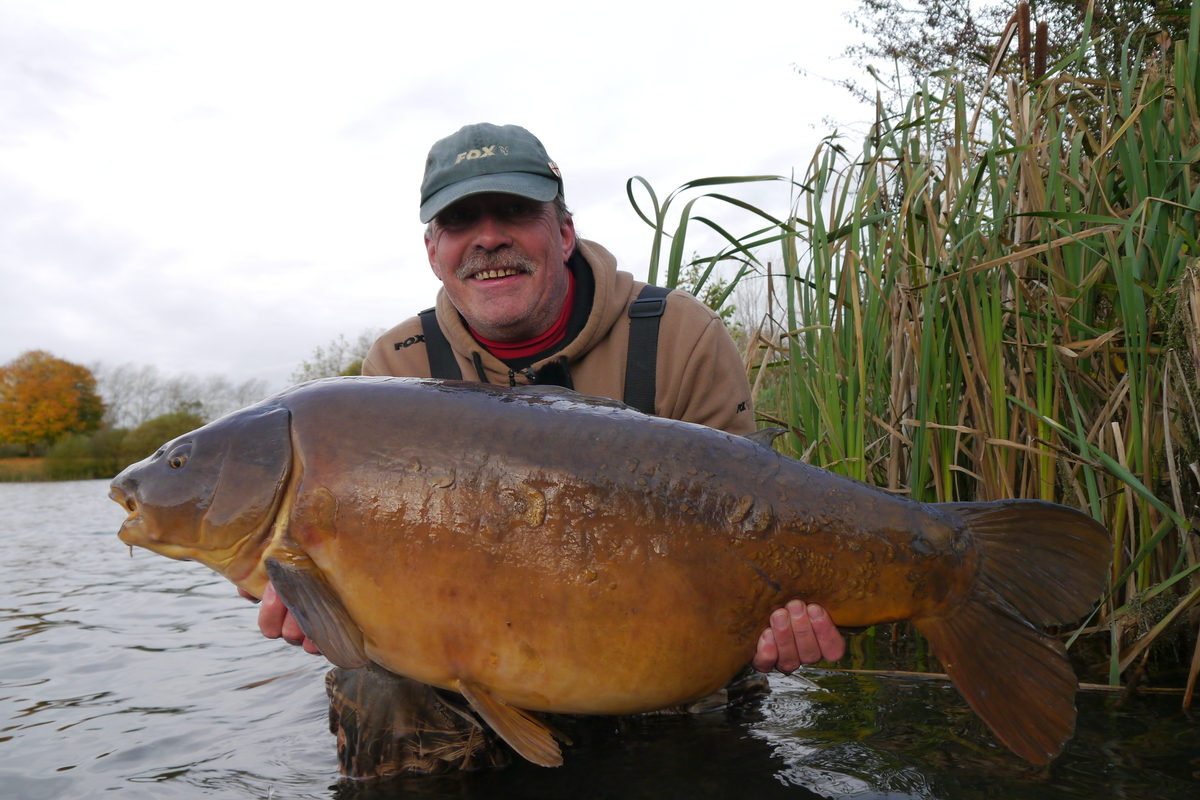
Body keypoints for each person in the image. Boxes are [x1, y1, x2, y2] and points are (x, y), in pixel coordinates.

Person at [247, 123, 844, 774]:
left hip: (662, 646)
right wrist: (326, 609)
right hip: (481, 655)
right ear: (432, 250)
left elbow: (756, 517)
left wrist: (782, 622)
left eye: (513, 212)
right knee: (376, 685)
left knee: (692, 760)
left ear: (563, 231)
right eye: (459, 220)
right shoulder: (398, 365)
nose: (487, 237)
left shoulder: (677, 336)